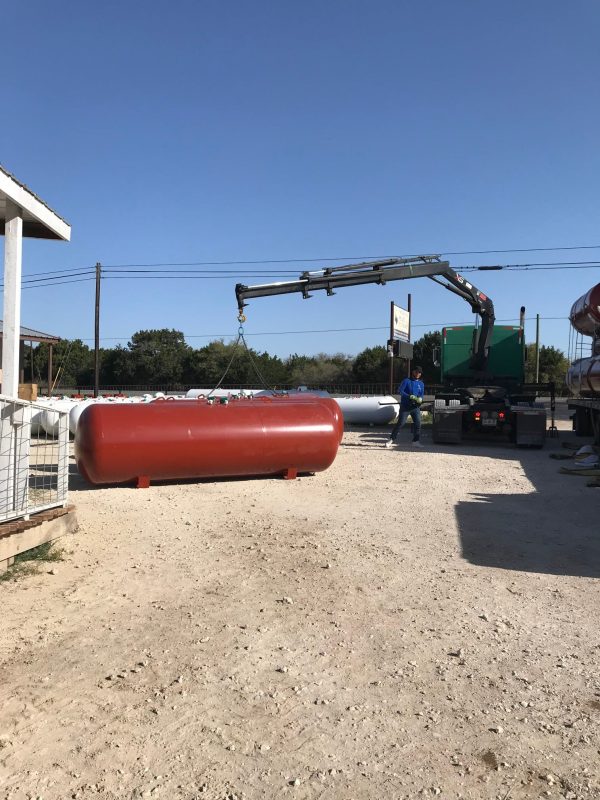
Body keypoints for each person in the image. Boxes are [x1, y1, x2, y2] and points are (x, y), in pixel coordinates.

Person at [385, 366, 425, 448]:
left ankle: (415, 441)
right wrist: (409, 396)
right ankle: (391, 439)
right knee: (401, 423)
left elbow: (421, 393)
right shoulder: (406, 381)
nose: (418, 374)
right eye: (417, 372)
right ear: (413, 372)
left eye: (420, 372)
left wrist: (420, 398)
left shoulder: (421, 383)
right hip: (405, 407)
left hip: (415, 407)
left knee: (418, 424)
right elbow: (400, 391)